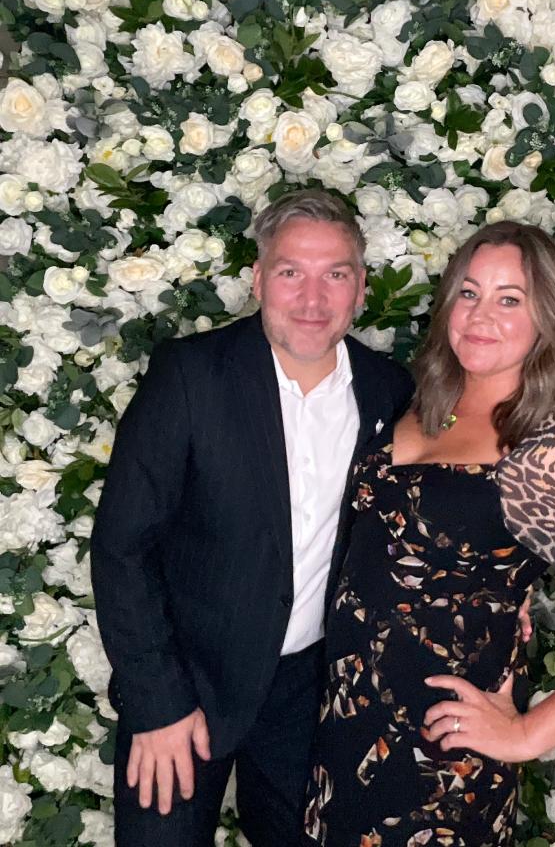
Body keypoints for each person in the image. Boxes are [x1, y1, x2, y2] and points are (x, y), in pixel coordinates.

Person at [304, 221, 555, 847]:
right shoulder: (425, 405)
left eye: (510, 299)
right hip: (349, 731)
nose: (482, 315)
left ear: (545, 320)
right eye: (470, 293)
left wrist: (526, 734)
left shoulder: (547, 448)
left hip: (438, 762)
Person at [90, 190, 415, 847]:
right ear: (259, 279)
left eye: (335, 274)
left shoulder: (388, 389)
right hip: (187, 683)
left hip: (308, 698)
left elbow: (428, 512)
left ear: (361, 287)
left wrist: (503, 592)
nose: (312, 299)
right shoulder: (190, 376)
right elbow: (123, 548)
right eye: (291, 272)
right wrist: (158, 702)